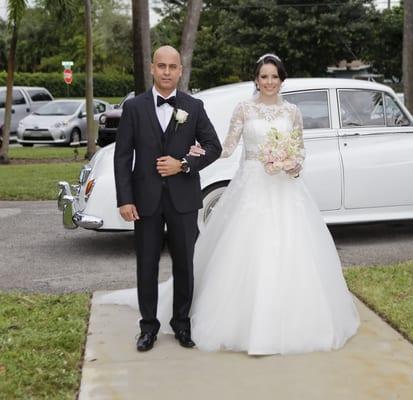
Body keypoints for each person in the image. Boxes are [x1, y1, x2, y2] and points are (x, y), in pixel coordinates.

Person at [180, 53, 360, 354]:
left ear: (282, 79)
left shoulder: (292, 112)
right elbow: (227, 148)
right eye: (264, 76)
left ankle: (295, 323)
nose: (269, 82)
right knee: (244, 250)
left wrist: (293, 164)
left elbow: (300, 150)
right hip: (250, 187)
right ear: (256, 79)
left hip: (285, 189)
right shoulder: (244, 109)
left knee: (292, 249)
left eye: (274, 77)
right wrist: (200, 150)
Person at [113, 45, 222, 352]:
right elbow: (122, 157)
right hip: (145, 200)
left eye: (172, 67)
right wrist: (125, 199)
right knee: (145, 265)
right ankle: (148, 328)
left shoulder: (194, 106)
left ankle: (182, 324)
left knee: (184, 264)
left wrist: (184, 164)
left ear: (180, 71)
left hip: (183, 199)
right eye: (161, 66)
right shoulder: (134, 108)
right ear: (152, 68)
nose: (166, 71)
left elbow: (213, 146)